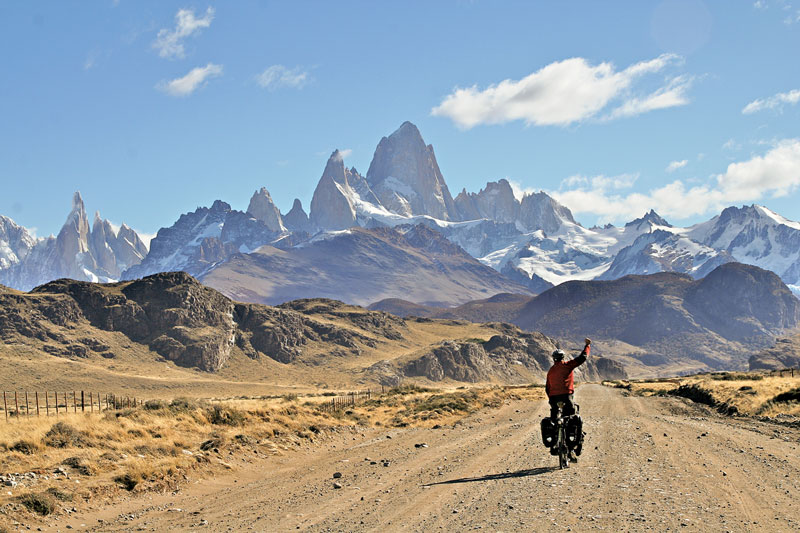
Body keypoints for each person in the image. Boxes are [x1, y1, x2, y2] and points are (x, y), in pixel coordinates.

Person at [545, 338, 591, 420]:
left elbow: (547, 388)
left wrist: (551, 399)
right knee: (570, 416)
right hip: (566, 396)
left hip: (553, 398)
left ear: (553, 358)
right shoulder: (567, 365)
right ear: (563, 357)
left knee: (554, 417)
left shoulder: (550, 371)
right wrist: (587, 346)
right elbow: (582, 357)